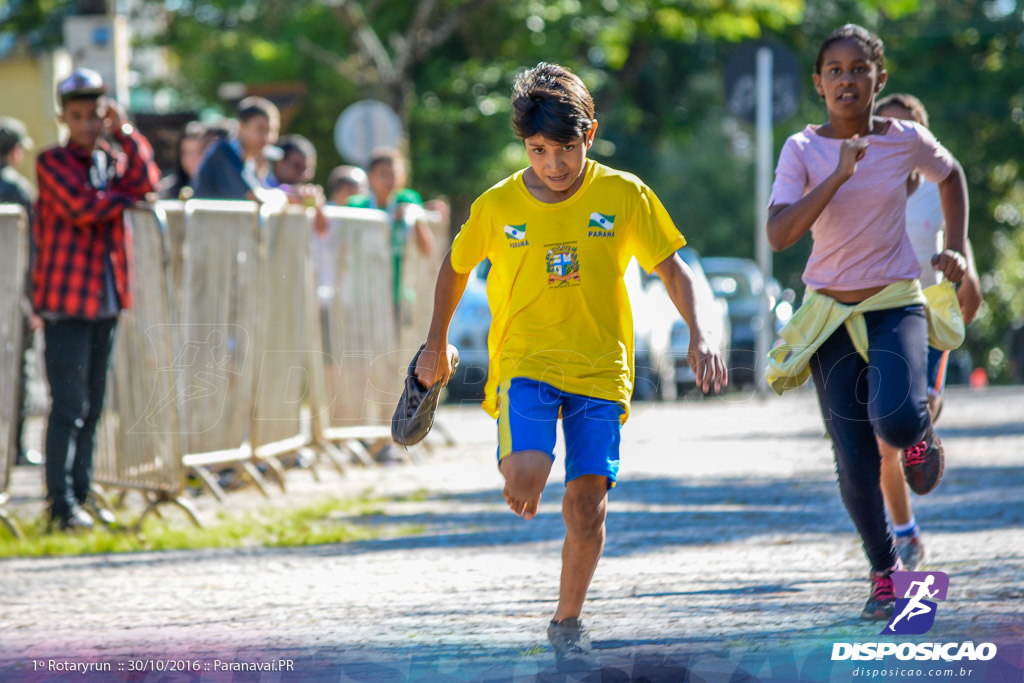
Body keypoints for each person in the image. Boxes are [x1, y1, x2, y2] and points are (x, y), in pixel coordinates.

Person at [412, 62, 727, 669]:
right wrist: (435, 342)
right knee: (527, 474)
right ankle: (521, 472)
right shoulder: (498, 205)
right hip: (525, 363)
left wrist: (702, 329)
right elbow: (455, 268)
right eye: (538, 150)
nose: (554, 164)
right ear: (523, 145)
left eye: (566, 149)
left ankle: (568, 621)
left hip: (600, 372)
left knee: (587, 506)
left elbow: (673, 269)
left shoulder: (624, 194)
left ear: (591, 134)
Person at [765, 25, 969, 620]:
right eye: (835, 70)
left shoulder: (906, 140)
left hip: (893, 300)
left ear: (880, 77)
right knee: (853, 457)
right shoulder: (802, 149)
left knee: (899, 419)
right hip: (827, 311)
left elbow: (951, 174)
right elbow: (779, 234)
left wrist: (955, 246)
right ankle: (885, 574)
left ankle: (921, 438)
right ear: (818, 83)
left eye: (859, 68)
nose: (847, 79)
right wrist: (837, 175)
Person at [33, 68, 160, 531]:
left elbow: (147, 180)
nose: (87, 124)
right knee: (68, 406)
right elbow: (82, 208)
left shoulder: (111, 156)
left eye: (95, 116)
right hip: (66, 302)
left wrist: (125, 132)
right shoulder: (51, 162)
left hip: (107, 300)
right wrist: (122, 198)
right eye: (78, 116)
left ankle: (81, 499)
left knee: (93, 407)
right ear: (63, 117)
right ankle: (59, 506)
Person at [873, 93, 983, 571]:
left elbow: (971, 293)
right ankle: (905, 533)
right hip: (876, 322)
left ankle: (923, 427)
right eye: (886, 126)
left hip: (925, 324)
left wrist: (956, 288)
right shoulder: (866, 188)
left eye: (905, 129)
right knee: (882, 443)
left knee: (903, 428)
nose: (894, 137)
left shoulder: (937, 193)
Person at [0, 117, 42, 466]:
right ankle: (16, 446)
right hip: (13, 296)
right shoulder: (17, 189)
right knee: (18, 369)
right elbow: (33, 248)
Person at [348, 147, 435, 313]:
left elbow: (426, 248)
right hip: (363, 293)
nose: (390, 179)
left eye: (394, 174)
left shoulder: (408, 200)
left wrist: (414, 218)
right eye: (383, 174)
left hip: (398, 293)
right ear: (370, 177)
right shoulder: (356, 205)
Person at [192, 96, 282, 201]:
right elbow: (254, 197)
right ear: (241, 127)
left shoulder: (250, 162)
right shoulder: (223, 152)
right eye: (260, 129)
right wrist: (282, 196)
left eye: (271, 130)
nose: (267, 137)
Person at [159, 120, 206, 200]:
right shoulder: (166, 190)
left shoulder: (222, 188)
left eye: (198, 152)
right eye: (186, 152)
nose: (192, 159)